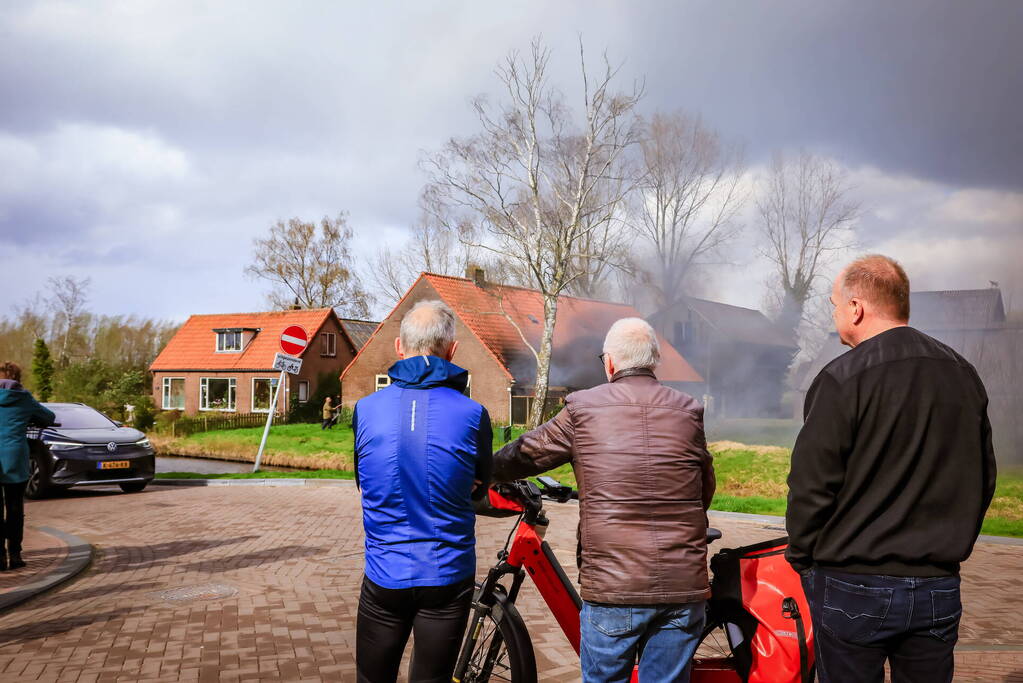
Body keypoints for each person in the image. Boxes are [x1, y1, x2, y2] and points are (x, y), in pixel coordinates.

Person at [786, 255, 997, 683]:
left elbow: (809, 486)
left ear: (857, 308)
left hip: (852, 583)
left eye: (834, 305)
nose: (835, 314)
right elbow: (984, 477)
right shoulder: (962, 374)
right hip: (937, 583)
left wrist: (805, 559)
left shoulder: (842, 378)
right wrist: (951, 544)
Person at [494, 318, 715, 683]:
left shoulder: (584, 408)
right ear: (655, 360)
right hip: (682, 586)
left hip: (615, 587)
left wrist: (479, 470)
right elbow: (703, 487)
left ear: (609, 363)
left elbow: (527, 453)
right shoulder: (688, 410)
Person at [352, 300, 493, 683]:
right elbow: (480, 485)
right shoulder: (473, 414)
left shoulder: (364, 410)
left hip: (385, 573)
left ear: (400, 348)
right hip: (447, 575)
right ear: (453, 350)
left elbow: (364, 481)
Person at [0, 361, 56, 571]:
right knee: (15, 507)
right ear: (17, 378)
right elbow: (49, 417)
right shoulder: (24, 399)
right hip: (15, 457)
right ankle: (15, 555)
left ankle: (0, 558)